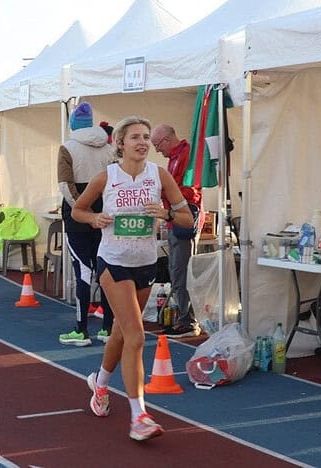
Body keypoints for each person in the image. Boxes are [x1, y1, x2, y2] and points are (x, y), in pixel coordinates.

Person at [72, 116, 193, 441]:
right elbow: (77, 210)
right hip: (113, 263)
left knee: (123, 335)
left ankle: (100, 385)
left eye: (145, 137)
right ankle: (139, 416)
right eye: (135, 137)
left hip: (145, 264)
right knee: (137, 336)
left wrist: (166, 214)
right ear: (120, 144)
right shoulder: (106, 177)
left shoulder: (160, 175)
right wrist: (95, 218)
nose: (142, 142)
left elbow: (187, 217)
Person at [57, 102, 115, 347]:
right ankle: (108, 328)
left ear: (72, 123)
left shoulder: (67, 148)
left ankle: (81, 330)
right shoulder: (109, 148)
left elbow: (65, 185)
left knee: (83, 271)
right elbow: (114, 181)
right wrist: (99, 211)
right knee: (106, 269)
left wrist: (81, 209)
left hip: (78, 217)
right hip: (104, 213)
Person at [150, 123, 202, 338]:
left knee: (181, 271)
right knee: (175, 270)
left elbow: (190, 191)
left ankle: (188, 321)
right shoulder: (175, 158)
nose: (157, 150)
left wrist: (167, 194)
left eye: (156, 145)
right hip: (174, 219)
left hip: (181, 218)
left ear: (167, 140)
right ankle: (184, 318)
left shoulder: (186, 156)